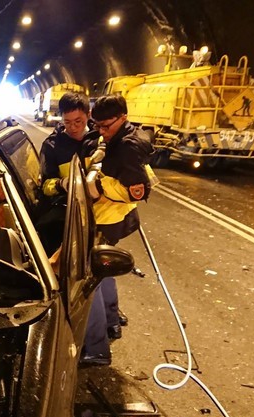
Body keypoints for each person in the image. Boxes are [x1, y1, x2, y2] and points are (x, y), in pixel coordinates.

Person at [79, 94, 154, 366]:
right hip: (110, 215)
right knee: (104, 268)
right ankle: (112, 321)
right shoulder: (116, 137)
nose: (100, 131)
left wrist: (97, 185)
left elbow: (137, 191)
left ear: (123, 118)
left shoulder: (128, 146)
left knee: (89, 281)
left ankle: (96, 350)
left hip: (109, 217)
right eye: (96, 125)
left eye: (105, 126)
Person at [37, 92, 98, 256]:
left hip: (99, 214)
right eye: (67, 122)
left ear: (89, 114)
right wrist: (62, 184)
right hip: (67, 213)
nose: (73, 127)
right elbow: (45, 186)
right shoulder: (52, 146)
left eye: (78, 121)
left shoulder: (100, 139)